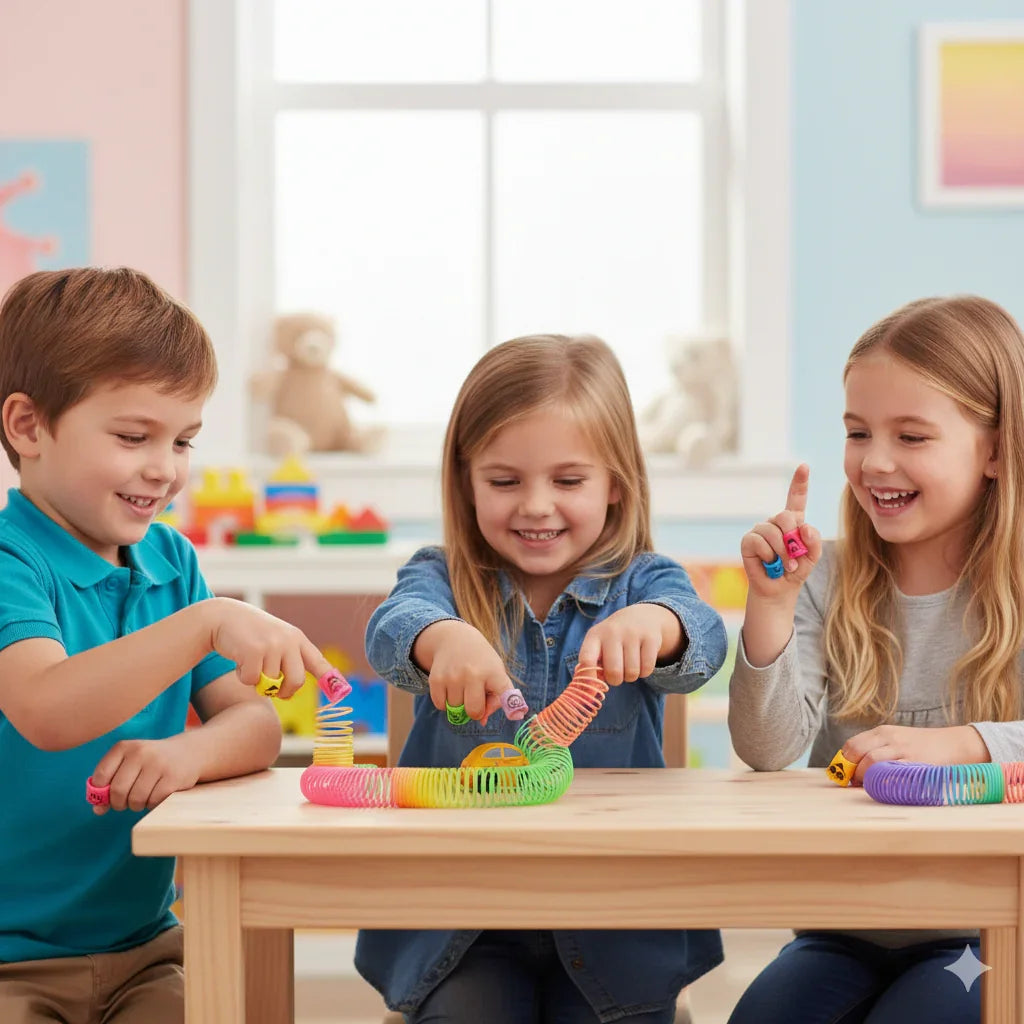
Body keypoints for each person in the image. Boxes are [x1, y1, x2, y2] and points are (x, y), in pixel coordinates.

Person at [357, 333, 728, 1023]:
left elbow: (702, 633)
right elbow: (392, 626)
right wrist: (444, 638)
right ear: (466, 481)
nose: (534, 506)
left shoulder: (645, 581)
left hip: (616, 921)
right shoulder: (438, 578)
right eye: (504, 481)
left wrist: (658, 624)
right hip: (465, 927)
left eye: (567, 480)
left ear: (615, 484)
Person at [0, 267, 333, 1024]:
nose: (166, 468)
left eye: (183, 439)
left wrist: (186, 756)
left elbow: (255, 724)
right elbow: (46, 709)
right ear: (27, 427)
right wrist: (206, 622)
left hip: (146, 951)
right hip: (10, 964)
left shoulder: (170, 561)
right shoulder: (9, 563)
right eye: (132, 436)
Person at [727, 295, 1024, 1024]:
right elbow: (769, 754)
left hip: (986, 932)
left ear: (994, 449)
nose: (875, 461)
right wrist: (769, 606)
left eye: (912, 436)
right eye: (858, 433)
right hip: (844, 925)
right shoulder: (824, 581)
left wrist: (963, 745)